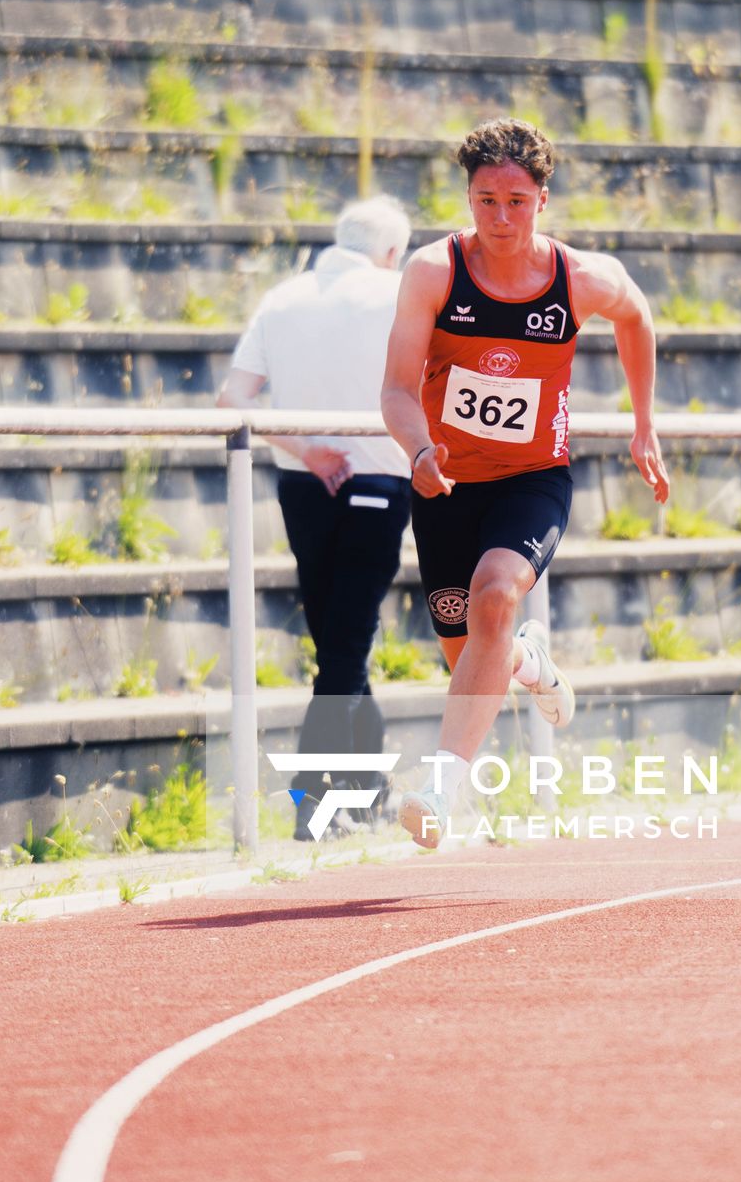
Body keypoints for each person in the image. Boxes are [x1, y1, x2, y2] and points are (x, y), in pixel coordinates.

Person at [380, 117, 671, 849]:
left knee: (498, 595)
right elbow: (396, 390)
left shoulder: (581, 278)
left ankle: (442, 788)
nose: (501, 218)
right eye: (485, 201)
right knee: (476, 649)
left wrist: (644, 423)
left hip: (533, 477)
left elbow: (636, 317)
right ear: (467, 199)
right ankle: (528, 662)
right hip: (444, 483)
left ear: (543, 197)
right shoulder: (434, 272)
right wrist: (418, 451)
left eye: (516, 200)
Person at [217, 195, 412, 838]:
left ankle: (371, 792)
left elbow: (233, 400)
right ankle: (316, 802)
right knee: (345, 647)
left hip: (302, 483)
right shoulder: (397, 294)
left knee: (339, 642)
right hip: (378, 481)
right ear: (390, 253)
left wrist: (307, 449)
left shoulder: (283, 298)